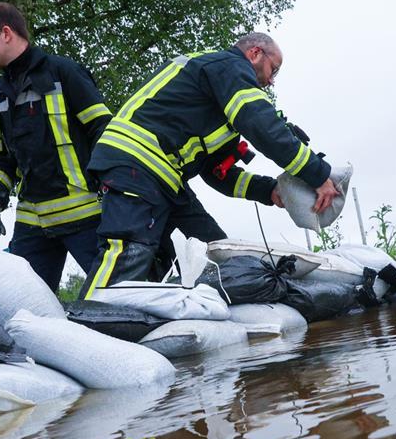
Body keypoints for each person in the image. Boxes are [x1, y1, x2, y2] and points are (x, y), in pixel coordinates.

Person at [80, 32, 339, 297]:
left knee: (213, 252)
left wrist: (270, 191)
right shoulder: (228, 67)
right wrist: (318, 175)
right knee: (129, 251)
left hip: (163, 175)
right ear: (255, 53)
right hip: (134, 162)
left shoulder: (219, 98)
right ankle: (89, 327)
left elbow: (218, 174)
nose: (272, 80)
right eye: (274, 69)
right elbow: (263, 126)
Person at [0, 2, 113, 291]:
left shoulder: (63, 72)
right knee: (23, 304)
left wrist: (112, 185)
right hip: (32, 225)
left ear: (6, 33)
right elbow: (2, 163)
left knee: (113, 297)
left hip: (85, 217)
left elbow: (103, 130)